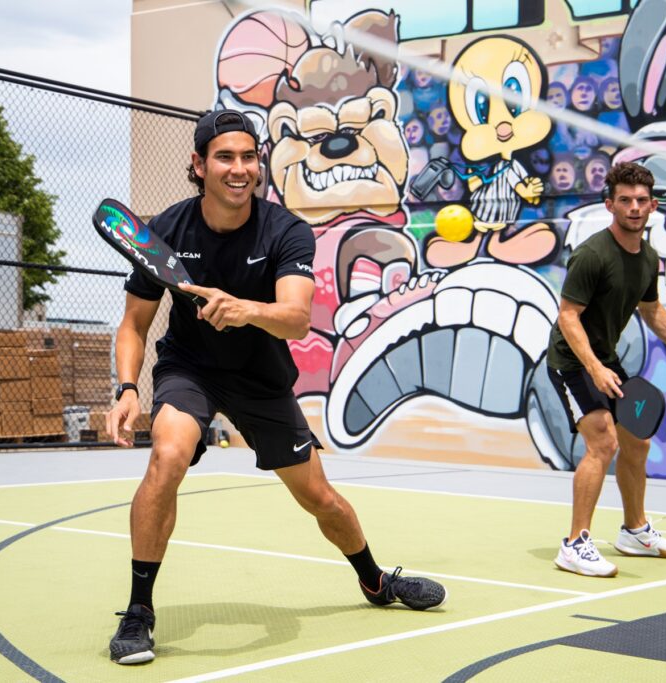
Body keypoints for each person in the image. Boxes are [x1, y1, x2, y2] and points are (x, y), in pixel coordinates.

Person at [105, 110, 446, 665]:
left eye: (247, 156)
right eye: (224, 157)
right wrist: (126, 387)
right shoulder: (164, 230)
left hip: (261, 378)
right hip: (189, 367)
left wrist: (243, 310)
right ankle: (139, 611)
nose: (239, 169)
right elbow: (134, 324)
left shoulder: (283, 230)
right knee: (166, 456)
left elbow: (294, 318)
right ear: (199, 165)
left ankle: (374, 581)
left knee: (321, 498)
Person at [546, 162, 666, 578]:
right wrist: (594, 368)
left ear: (653, 205)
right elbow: (568, 317)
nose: (634, 207)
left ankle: (635, 531)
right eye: (625, 200)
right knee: (603, 442)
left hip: (604, 360)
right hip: (572, 361)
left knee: (637, 441)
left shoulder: (647, 257)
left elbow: (651, 309)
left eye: (641, 200)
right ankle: (574, 544)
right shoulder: (592, 254)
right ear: (610, 205)